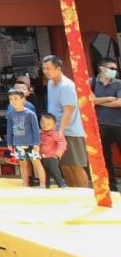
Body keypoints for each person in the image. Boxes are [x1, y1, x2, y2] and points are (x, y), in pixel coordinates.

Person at [42, 56, 90, 188]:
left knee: (76, 165)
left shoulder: (67, 86)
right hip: (55, 130)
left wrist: (60, 131)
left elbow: (68, 110)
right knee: (64, 165)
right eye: (44, 68)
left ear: (58, 68)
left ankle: (84, 194)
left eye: (49, 68)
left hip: (70, 131)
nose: (46, 71)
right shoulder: (51, 83)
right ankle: (72, 193)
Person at [89, 58, 121, 192]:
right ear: (102, 68)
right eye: (111, 68)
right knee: (105, 157)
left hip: (118, 124)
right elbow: (88, 100)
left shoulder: (118, 83)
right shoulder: (92, 82)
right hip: (100, 125)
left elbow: (119, 103)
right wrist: (108, 98)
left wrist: (97, 101)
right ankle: (111, 187)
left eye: (115, 69)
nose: (114, 71)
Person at [5, 88, 44, 188]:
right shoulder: (10, 114)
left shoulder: (30, 114)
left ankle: (42, 184)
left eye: (16, 98)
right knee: (22, 164)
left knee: (36, 163)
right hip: (18, 143)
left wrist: (37, 143)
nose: (13, 101)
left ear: (23, 100)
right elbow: (9, 130)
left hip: (31, 143)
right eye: (11, 99)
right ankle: (25, 183)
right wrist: (9, 143)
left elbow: (36, 130)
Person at [37, 113, 68, 188]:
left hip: (52, 157)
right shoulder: (38, 132)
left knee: (55, 171)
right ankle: (46, 185)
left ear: (54, 125)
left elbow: (62, 142)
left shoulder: (56, 134)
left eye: (48, 124)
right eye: (43, 123)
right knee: (44, 173)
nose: (45, 125)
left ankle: (61, 184)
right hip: (40, 157)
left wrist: (60, 150)